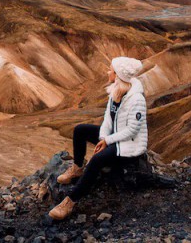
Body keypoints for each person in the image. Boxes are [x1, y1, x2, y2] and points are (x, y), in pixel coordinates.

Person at [48, 56, 148, 221]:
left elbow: (132, 130)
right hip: (114, 138)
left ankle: (69, 202)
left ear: (118, 75)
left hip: (130, 145)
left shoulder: (136, 99)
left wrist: (107, 142)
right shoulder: (115, 92)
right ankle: (77, 168)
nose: (108, 72)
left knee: (96, 160)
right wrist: (103, 137)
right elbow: (107, 120)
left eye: (111, 70)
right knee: (80, 130)